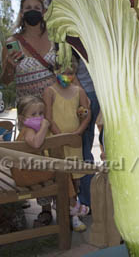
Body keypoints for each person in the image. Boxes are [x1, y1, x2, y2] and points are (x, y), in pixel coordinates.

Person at [15, 95, 88, 231]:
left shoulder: (28, 130)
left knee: (61, 170)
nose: (39, 117)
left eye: (41, 114)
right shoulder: (28, 131)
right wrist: (45, 126)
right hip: (25, 175)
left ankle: (70, 205)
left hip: (27, 172)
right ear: (22, 118)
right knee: (62, 172)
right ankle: (72, 206)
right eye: (34, 114)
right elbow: (36, 143)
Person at [43, 57, 92, 221]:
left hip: (74, 142)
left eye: (70, 73)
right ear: (55, 71)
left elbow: (86, 113)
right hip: (57, 143)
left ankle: (72, 214)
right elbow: (48, 117)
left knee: (75, 179)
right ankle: (64, 213)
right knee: (60, 178)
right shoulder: (49, 91)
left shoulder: (79, 91)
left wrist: (77, 133)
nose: (66, 76)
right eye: (62, 72)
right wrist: (60, 136)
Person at [0, 0, 56, 101]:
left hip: (58, 105)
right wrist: (10, 67)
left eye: (37, 8)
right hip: (29, 112)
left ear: (43, 12)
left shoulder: (54, 37)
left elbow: (68, 69)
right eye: (28, 8)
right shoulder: (12, 42)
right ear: (21, 13)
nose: (32, 11)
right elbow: (6, 81)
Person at [75, 55, 100, 208]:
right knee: (82, 146)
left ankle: (89, 199)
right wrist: (82, 94)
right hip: (84, 95)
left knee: (84, 146)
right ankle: (87, 199)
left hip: (93, 94)